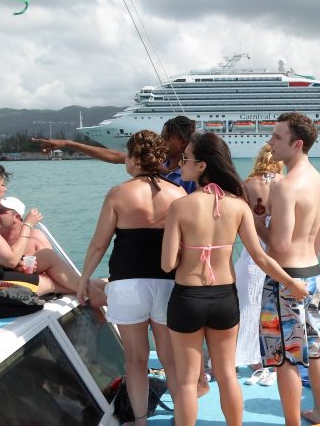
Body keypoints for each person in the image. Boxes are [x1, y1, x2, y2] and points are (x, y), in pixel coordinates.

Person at [161, 131, 307, 426]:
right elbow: (261, 257)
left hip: (188, 297)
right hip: (224, 298)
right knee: (227, 373)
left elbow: (166, 265)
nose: (181, 164)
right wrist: (292, 283)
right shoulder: (238, 205)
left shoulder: (180, 206)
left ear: (202, 166)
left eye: (187, 159)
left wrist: (189, 252)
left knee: (189, 380)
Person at [78, 130, 187, 426]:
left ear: (134, 158)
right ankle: (183, 417)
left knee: (136, 360)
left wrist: (84, 280)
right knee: (170, 359)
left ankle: (140, 421)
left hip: (127, 285)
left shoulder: (119, 193)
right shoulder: (178, 194)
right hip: (168, 283)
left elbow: (99, 243)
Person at [254, 111, 320, 426]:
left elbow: (279, 246)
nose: (270, 142)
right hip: (312, 275)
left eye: (276, 137)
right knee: (314, 348)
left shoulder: (285, 186)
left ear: (297, 144)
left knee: (285, 357)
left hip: (285, 280)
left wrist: (258, 224)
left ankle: (291, 422)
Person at [0, 158, 104, 309]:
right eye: (2, 185)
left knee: (47, 256)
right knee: (50, 282)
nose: (5, 189)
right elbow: (12, 260)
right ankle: (98, 293)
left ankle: (96, 290)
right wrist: (27, 225)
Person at [32, 115, 197, 193]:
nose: (162, 142)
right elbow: (113, 156)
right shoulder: (161, 165)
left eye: (166, 138)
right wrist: (69, 143)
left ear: (183, 141)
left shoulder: (194, 175)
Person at [235, 144, 284, 377]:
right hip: (277, 253)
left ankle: (247, 357)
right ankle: (266, 357)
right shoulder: (283, 184)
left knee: (245, 306)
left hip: (251, 251)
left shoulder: (246, 185)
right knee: (270, 309)